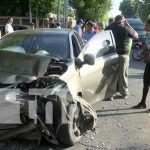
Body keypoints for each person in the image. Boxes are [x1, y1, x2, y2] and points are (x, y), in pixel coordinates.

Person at [105, 15, 138, 100]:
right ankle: (124, 93)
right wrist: (128, 25)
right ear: (123, 20)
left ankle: (110, 94)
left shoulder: (108, 28)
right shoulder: (125, 27)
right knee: (123, 74)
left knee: (110, 74)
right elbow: (136, 36)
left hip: (111, 55)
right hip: (123, 54)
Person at [132, 19, 150, 109]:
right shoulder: (148, 34)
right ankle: (143, 102)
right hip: (148, 62)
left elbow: (147, 46)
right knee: (146, 82)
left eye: (146, 25)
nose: (144, 27)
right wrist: (143, 50)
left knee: (147, 82)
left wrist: (146, 47)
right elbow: (146, 47)